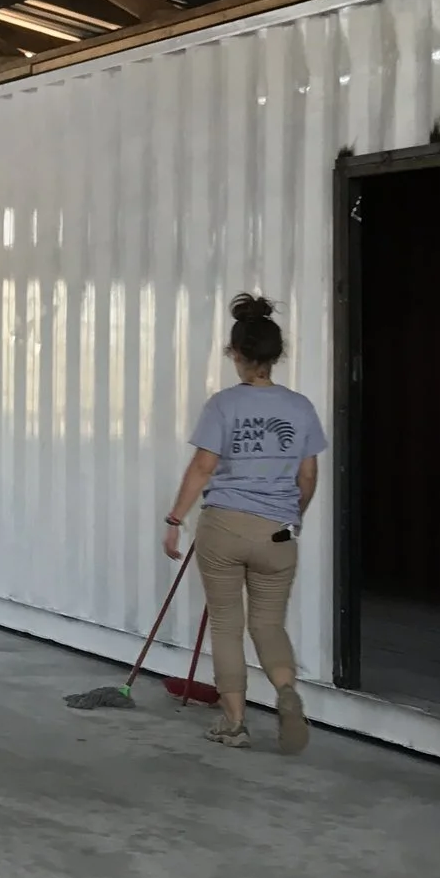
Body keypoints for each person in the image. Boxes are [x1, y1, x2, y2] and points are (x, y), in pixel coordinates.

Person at [161, 294, 327, 754]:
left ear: (236, 354)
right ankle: (287, 692)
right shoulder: (301, 407)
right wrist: (291, 516)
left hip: (225, 529)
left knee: (227, 626)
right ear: (275, 355)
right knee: (269, 626)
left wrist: (175, 519)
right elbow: (308, 476)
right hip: (278, 533)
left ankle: (234, 724)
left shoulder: (223, 405)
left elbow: (202, 467)